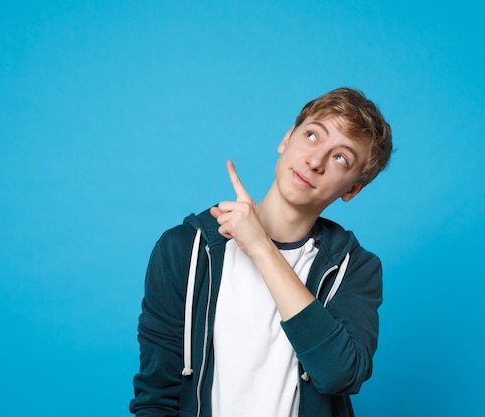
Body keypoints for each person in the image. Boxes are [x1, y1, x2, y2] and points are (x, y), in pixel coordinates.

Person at [129, 87, 393, 417]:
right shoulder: (186, 248)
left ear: (352, 189)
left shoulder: (354, 268)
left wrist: (261, 248)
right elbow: (157, 395)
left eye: (341, 158)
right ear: (286, 139)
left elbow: (339, 374)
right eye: (312, 136)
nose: (315, 161)